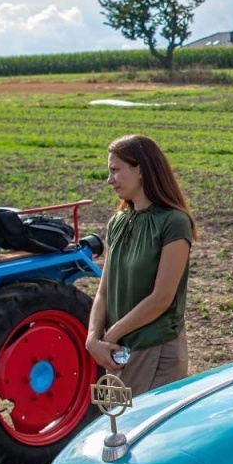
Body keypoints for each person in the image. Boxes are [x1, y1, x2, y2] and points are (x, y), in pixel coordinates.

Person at [86, 134, 196, 395]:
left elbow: (161, 299)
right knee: (119, 429)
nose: (109, 179)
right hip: (118, 351)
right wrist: (93, 339)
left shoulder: (174, 222)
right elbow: (104, 291)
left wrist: (111, 335)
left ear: (141, 171)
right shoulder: (118, 222)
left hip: (156, 351)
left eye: (115, 170)